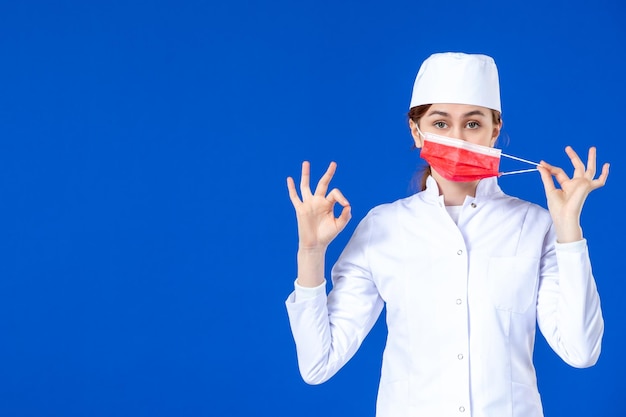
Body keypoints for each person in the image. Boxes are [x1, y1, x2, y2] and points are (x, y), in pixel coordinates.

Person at [284, 52, 609, 417]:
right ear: (416, 130)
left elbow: (581, 352)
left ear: (495, 130)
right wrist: (310, 253)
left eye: (472, 124)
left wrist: (569, 232)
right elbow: (317, 364)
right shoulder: (383, 227)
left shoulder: (535, 226)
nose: (457, 139)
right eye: (440, 124)